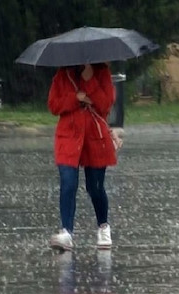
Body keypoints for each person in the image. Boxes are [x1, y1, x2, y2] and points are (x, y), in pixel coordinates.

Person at [47, 63, 123, 251]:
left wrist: (90, 81)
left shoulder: (102, 72)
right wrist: (75, 98)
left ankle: (103, 226)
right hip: (68, 136)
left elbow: (105, 104)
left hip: (95, 136)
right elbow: (54, 105)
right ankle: (66, 232)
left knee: (95, 187)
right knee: (68, 183)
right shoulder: (63, 74)